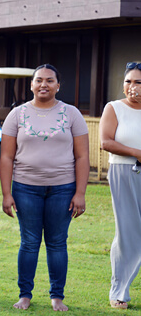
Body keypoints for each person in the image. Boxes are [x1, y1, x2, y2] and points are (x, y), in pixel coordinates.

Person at [0, 64, 89, 312]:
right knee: (29, 242)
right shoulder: (16, 114)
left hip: (63, 189)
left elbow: (82, 157)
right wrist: (7, 194)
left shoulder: (72, 114)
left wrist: (80, 193)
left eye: (50, 81)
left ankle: (57, 296)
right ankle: (25, 295)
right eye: (39, 80)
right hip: (25, 188)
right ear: (31, 85)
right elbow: (6, 157)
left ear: (58, 85)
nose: (44, 85)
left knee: (58, 243)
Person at [100, 61, 141, 310]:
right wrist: (137, 152)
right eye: (128, 81)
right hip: (124, 171)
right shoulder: (113, 107)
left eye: (138, 82)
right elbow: (105, 141)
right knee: (128, 233)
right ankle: (119, 291)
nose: (132, 87)